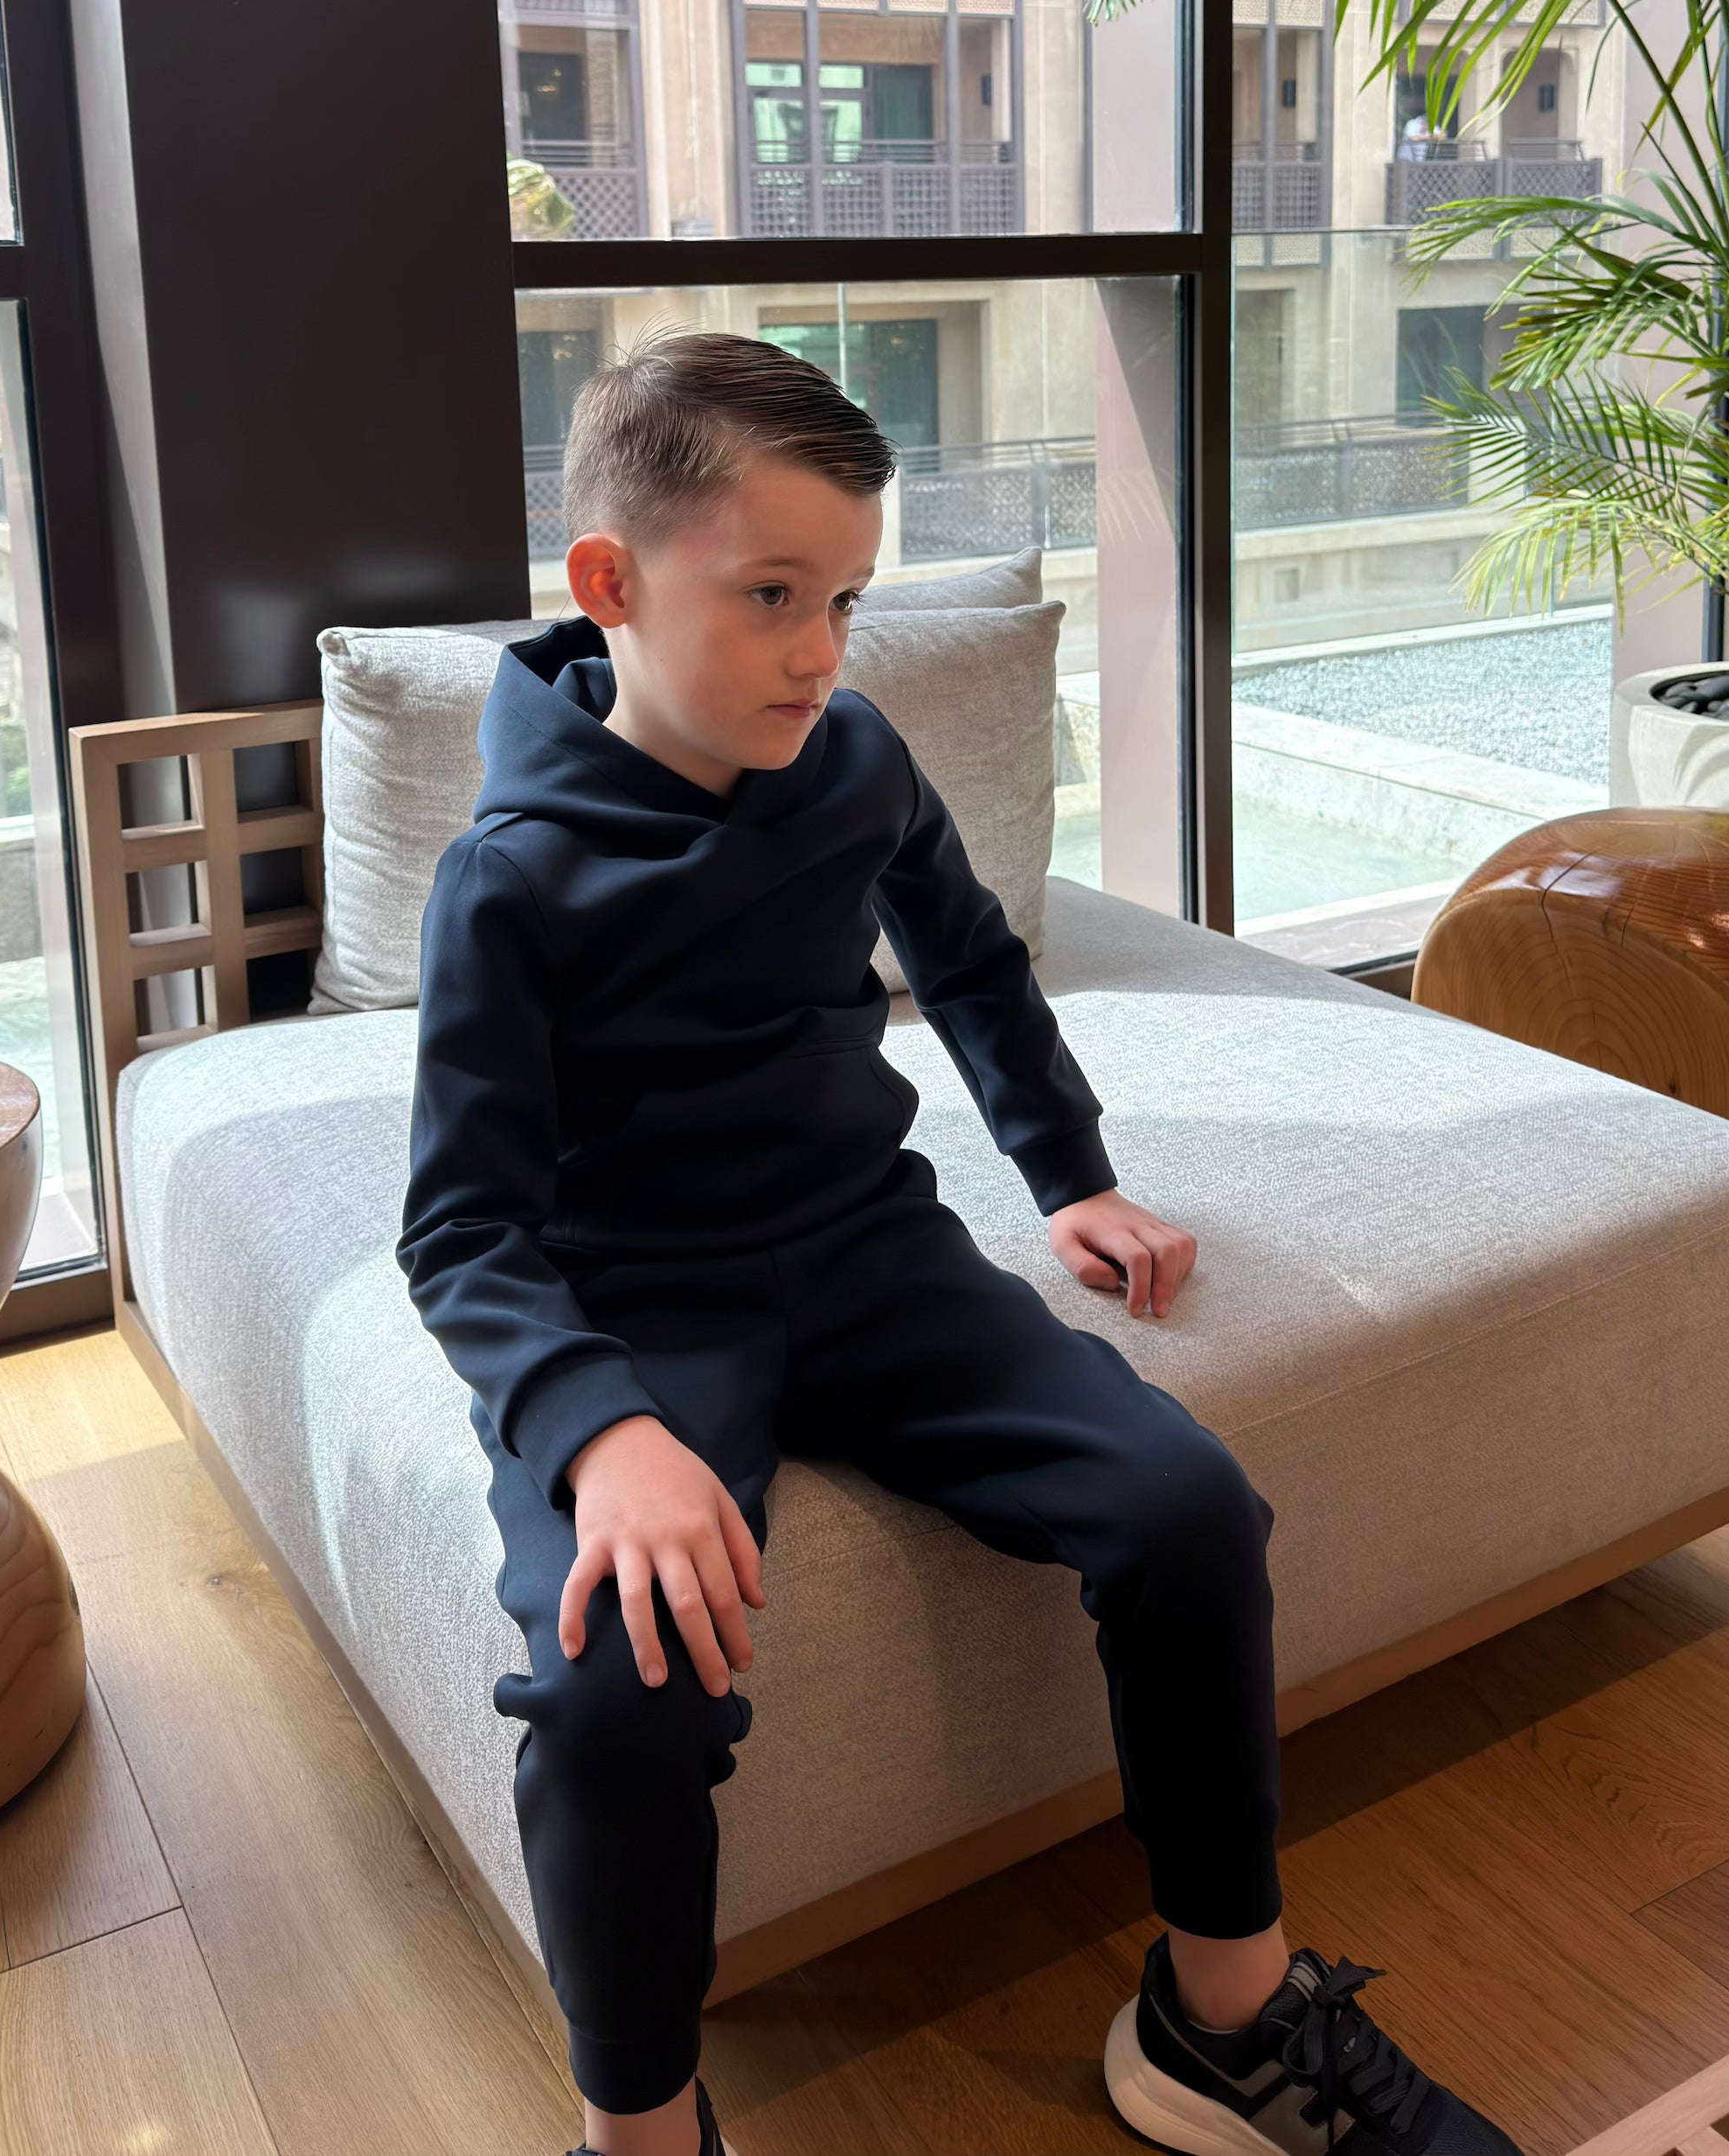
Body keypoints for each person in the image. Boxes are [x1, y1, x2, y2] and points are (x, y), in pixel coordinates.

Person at [396, 330, 1522, 2156]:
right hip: (635, 1310)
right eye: (772, 594)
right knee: (616, 1699)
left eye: (844, 598)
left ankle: (1228, 2015)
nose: (821, 650)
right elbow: (460, 1229)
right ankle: (642, 2132)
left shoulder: (851, 753)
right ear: (610, 582)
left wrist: (1067, 1170)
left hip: (869, 1254)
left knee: (1186, 1505)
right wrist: (602, 1435)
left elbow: (972, 958)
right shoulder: (510, 877)